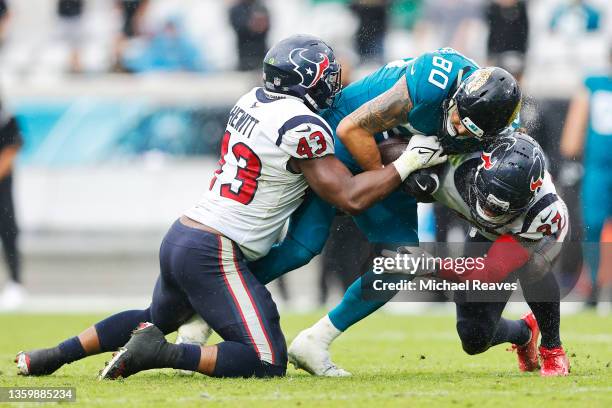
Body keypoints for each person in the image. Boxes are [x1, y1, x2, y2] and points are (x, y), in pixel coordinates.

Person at [15, 34, 446, 379]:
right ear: (305, 80)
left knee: (157, 314)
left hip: (185, 230)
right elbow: (349, 196)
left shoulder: (251, 100)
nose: (333, 83)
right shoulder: (303, 126)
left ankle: (51, 356)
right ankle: (162, 353)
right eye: (325, 75)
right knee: (265, 359)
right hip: (215, 249)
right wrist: (408, 161)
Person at [243, 52, 521, 376]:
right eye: (459, 113)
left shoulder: (502, 131)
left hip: (393, 149)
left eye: (469, 127)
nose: (457, 124)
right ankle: (216, 297)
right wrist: (380, 184)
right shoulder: (432, 84)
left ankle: (310, 339)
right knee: (303, 246)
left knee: (386, 259)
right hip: (345, 132)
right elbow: (352, 129)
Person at [398, 132, 572, 376]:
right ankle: (525, 333)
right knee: (473, 337)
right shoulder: (460, 169)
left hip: (527, 236)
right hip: (485, 232)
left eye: (500, 206)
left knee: (532, 265)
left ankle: (553, 349)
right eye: (488, 201)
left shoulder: (540, 213)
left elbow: (489, 271)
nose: (489, 211)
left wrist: (426, 265)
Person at [560, 48, 612, 308]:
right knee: (591, 224)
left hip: (599, 168)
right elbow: (571, 139)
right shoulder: (593, 84)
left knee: (593, 225)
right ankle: (593, 284)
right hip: (599, 168)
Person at [0, 109, 23, 310]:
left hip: (2, 191)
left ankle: (15, 283)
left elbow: (12, 147)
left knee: (8, 233)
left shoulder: (6, 116)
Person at [229, 0, 270, 71]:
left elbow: (266, 26)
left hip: (262, 55)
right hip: (245, 57)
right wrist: (252, 24)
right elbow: (239, 27)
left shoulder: (261, 6)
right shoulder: (236, 9)